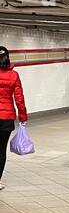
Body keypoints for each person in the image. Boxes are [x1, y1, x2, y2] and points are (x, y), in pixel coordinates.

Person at [0, 46, 28, 190]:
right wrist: (23, 116)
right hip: (6, 118)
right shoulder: (13, 75)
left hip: (5, 116)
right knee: (1, 149)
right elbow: (19, 99)